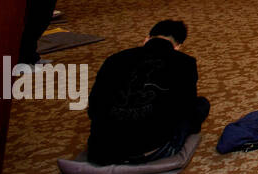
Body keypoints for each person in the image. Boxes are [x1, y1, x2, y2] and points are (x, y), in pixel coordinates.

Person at [87, 20, 209, 165]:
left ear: (147, 38)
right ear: (177, 46)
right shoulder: (184, 62)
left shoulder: (115, 59)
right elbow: (185, 107)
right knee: (201, 105)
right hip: (151, 149)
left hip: (102, 149)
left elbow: (94, 107)